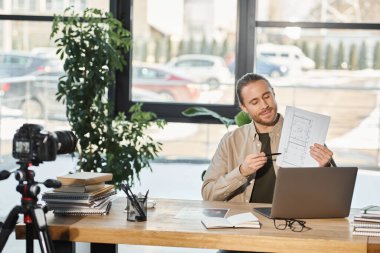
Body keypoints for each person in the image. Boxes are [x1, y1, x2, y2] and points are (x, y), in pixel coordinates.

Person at [202, 73, 334, 204]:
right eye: (254, 102)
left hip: (292, 220)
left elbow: (331, 195)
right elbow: (208, 194)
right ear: (244, 107)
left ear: (273, 94)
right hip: (243, 221)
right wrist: (242, 171)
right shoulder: (230, 140)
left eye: (267, 96)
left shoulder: (308, 133)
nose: (264, 105)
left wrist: (324, 169)